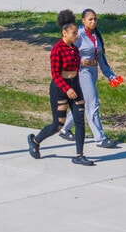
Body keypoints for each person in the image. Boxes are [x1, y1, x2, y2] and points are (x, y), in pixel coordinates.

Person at [27, 9, 94, 166]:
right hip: (60, 88)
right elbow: (55, 74)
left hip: (74, 86)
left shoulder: (75, 49)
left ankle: (79, 155)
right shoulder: (57, 49)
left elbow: (75, 67)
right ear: (64, 33)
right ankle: (35, 141)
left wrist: (84, 65)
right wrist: (67, 89)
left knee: (80, 120)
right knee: (58, 124)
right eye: (73, 33)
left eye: (77, 32)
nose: (77, 35)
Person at [59, 8, 120, 149]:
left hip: (92, 72)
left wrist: (112, 77)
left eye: (95, 19)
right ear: (83, 21)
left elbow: (101, 59)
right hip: (82, 73)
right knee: (93, 104)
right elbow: (67, 52)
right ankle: (100, 138)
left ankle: (64, 129)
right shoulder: (78, 35)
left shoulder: (96, 35)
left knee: (83, 104)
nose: (93, 22)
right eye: (90, 19)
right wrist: (80, 61)